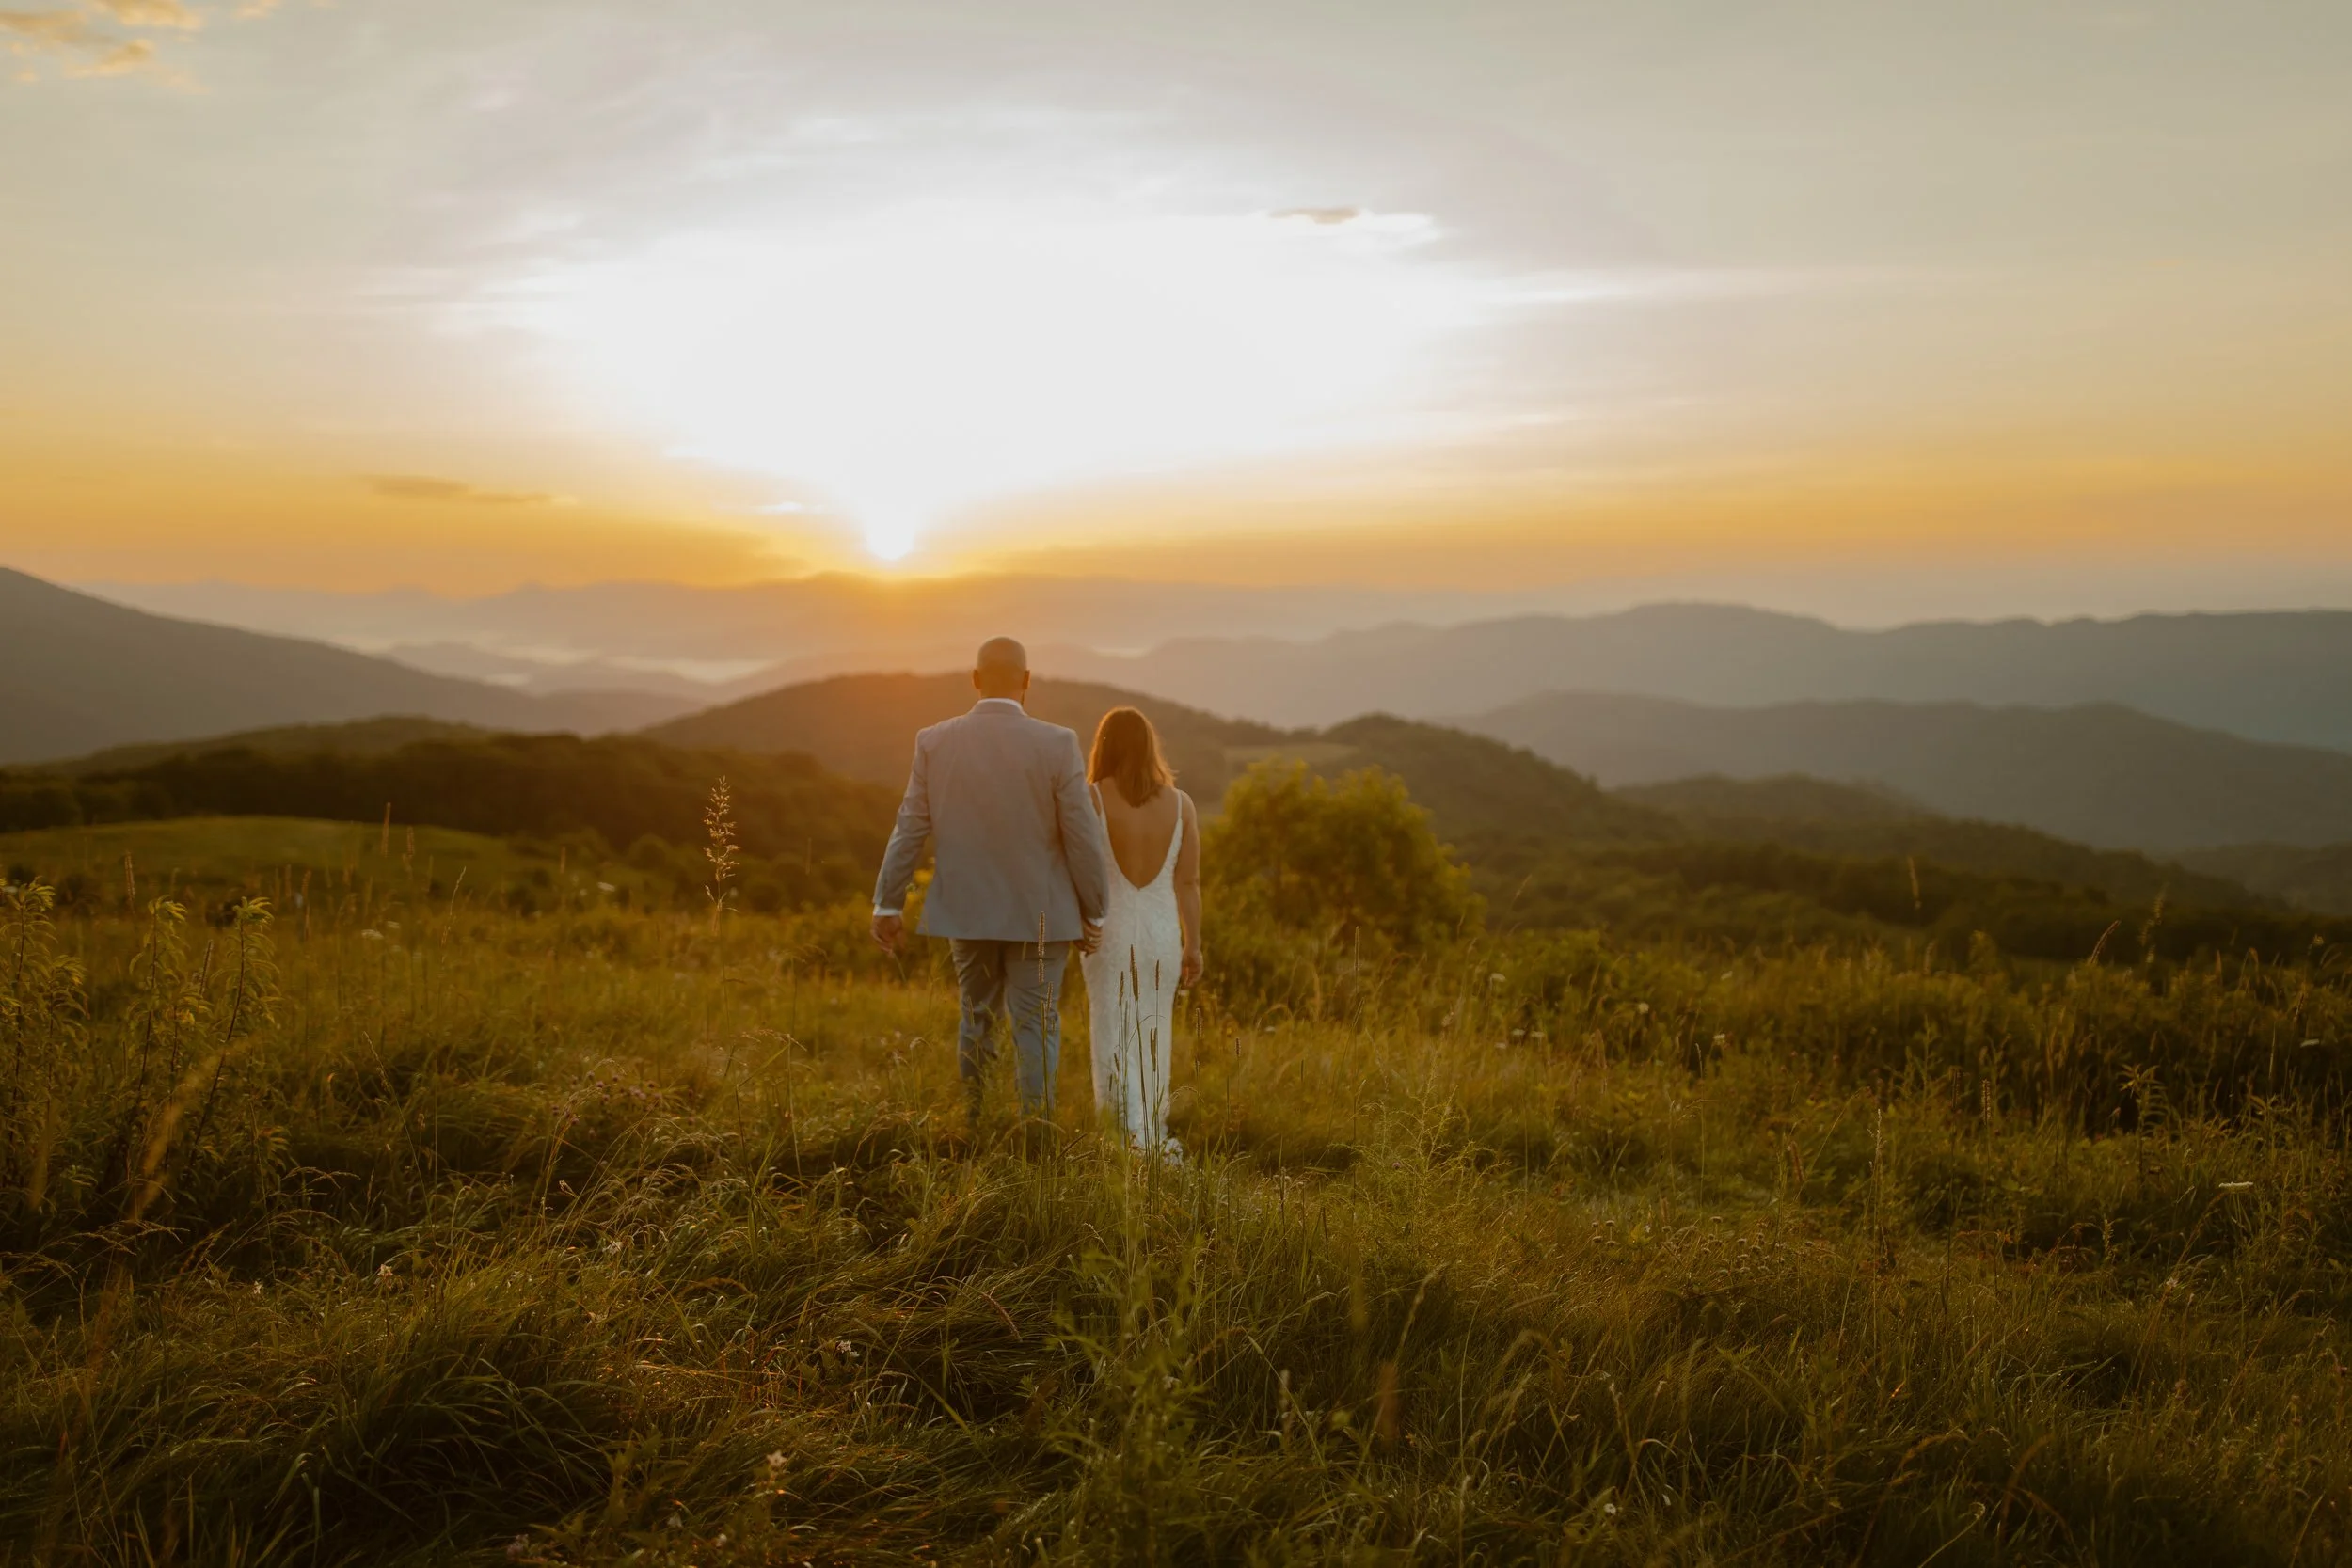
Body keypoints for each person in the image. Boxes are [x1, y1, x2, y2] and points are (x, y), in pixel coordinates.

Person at [871, 638, 1112, 1131]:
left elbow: (910, 826)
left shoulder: (934, 741)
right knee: (1036, 1023)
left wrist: (888, 903)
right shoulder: (1058, 743)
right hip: (1042, 914)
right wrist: (1095, 909)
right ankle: (1036, 1133)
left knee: (976, 1016)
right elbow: (1082, 835)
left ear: (976, 679)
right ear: (1027, 681)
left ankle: (977, 1123)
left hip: (968, 911)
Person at [1079, 706, 1201, 1158]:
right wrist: (1194, 944)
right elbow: (1188, 882)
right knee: (1153, 1029)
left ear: (1104, 747)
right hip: (1161, 934)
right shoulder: (1182, 804)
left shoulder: (1092, 799)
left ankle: (1121, 1135)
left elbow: (1076, 872)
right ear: (1150, 747)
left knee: (1111, 1030)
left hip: (1107, 935)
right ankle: (1149, 1126)